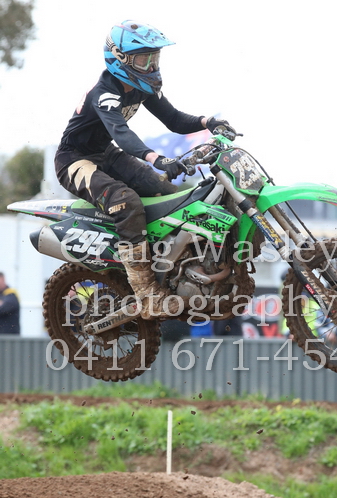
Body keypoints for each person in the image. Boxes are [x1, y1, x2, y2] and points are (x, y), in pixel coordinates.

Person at [55, 20, 235, 320]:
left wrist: (208, 122)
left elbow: (174, 119)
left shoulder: (142, 88)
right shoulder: (105, 93)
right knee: (126, 202)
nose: (151, 65)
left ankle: (172, 267)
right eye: (143, 59)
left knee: (168, 193)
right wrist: (157, 158)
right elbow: (122, 134)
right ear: (120, 58)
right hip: (74, 159)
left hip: (105, 153)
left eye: (154, 58)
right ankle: (146, 292)